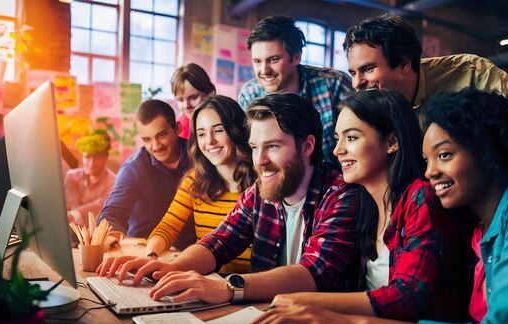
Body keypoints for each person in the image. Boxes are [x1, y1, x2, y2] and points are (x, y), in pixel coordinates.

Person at [246, 89, 508, 324]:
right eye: (427, 159)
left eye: (445, 155)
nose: (432, 171)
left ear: (487, 149)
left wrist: (352, 322)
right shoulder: (479, 228)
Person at [100, 92, 360, 306]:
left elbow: (312, 273)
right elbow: (218, 242)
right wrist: (170, 267)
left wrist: (227, 287)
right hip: (265, 316)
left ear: (307, 146)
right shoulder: (259, 193)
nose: (260, 161)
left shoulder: (341, 195)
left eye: (272, 146)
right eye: (256, 147)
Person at [256, 89, 471, 322]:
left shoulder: (421, 197)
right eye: (338, 138)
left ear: (392, 141)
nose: (338, 150)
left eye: (351, 137)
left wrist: (303, 301)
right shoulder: (362, 203)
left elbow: (407, 297)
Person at [343, 14, 508, 172]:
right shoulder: (368, 109)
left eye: (368, 69)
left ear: (405, 63)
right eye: (352, 73)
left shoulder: (472, 74)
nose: (357, 83)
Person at [98, 95, 256, 274]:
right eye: (202, 134)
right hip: (206, 276)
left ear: (235, 130)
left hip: (251, 283)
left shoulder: (261, 186)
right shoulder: (195, 180)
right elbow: (168, 226)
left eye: (218, 130)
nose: (209, 141)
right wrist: (150, 257)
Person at [238, 15, 354, 167]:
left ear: (296, 57)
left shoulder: (333, 84)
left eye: (273, 60)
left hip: (335, 182)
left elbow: (358, 140)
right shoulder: (249, 96)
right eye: (257, 61)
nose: (264, 70)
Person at [97, 99, 194, 242]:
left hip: (192, 253)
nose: (156, 146)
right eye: (147, 139)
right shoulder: (134, 169)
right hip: (143, 250)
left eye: (161, 135)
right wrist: (111, 239)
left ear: (177, 128)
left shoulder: (198, 158)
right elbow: (112, 214)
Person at [64, 129, 116, 228]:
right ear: (81, 156)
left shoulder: (114, 181)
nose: (91, 163)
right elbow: (68, 203)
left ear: (106, 157)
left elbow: (99, 205)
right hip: (71, 231)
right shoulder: (71, 176)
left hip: (97, 234)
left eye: (97, 157)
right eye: (87, 157)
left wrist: (73, 215)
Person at [171, 63, 216, 139]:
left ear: (210, 93)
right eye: (180, 100)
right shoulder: (179, 128)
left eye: (193, 98)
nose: (186, 105)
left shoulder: (222, 118)